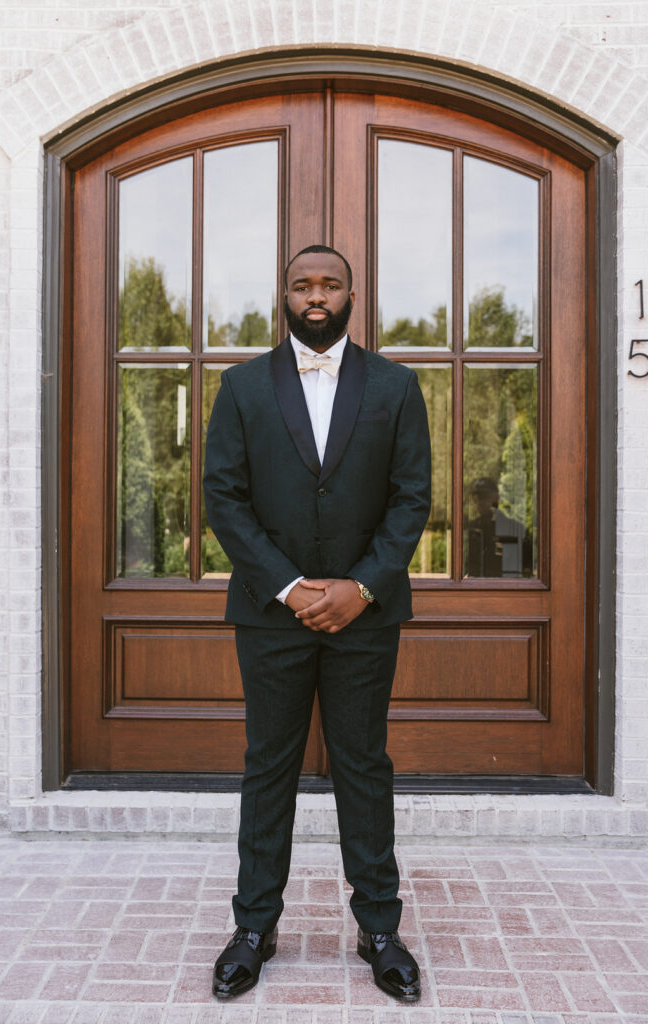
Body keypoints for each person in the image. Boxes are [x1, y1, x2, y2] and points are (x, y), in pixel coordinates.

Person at [203, 245, 431, 1002]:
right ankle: (252, 927)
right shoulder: (240, 387)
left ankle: (378, 928)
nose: (315, 296)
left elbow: (410, 499)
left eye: (329, 283)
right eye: (302, 284)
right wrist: (292, 588)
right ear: (284, 293)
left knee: (363, 766)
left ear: (352, 294)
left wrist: (360, 588)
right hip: (271, 616)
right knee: (267, 766)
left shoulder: (396, 387)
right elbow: (223, 498)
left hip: (366, 617)